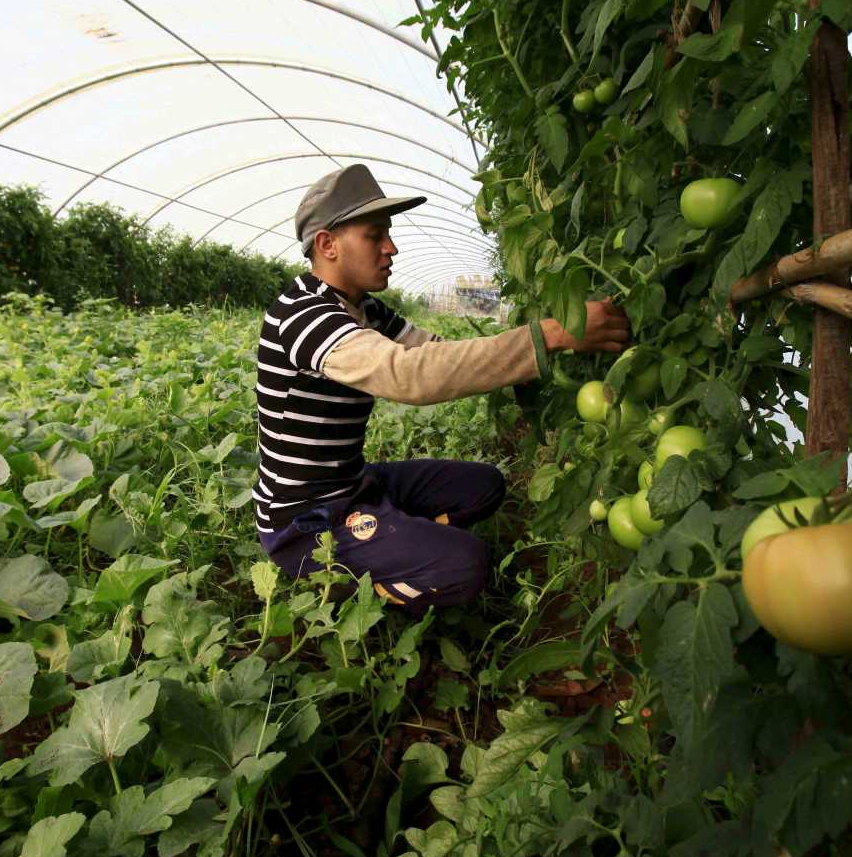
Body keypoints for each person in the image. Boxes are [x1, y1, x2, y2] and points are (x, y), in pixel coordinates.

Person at [254, 164, 629, 611]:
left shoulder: (366, 309)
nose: (391, 248)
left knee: (484, 485)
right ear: (327, 244)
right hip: (305, 521)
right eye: (376, 236)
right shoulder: (303, 315)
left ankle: (384, 531)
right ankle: (347, 582)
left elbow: (438, 351)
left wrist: (535, 352)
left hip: (355, 484)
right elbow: (410, 374)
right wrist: (549, 336)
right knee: (466, 564)